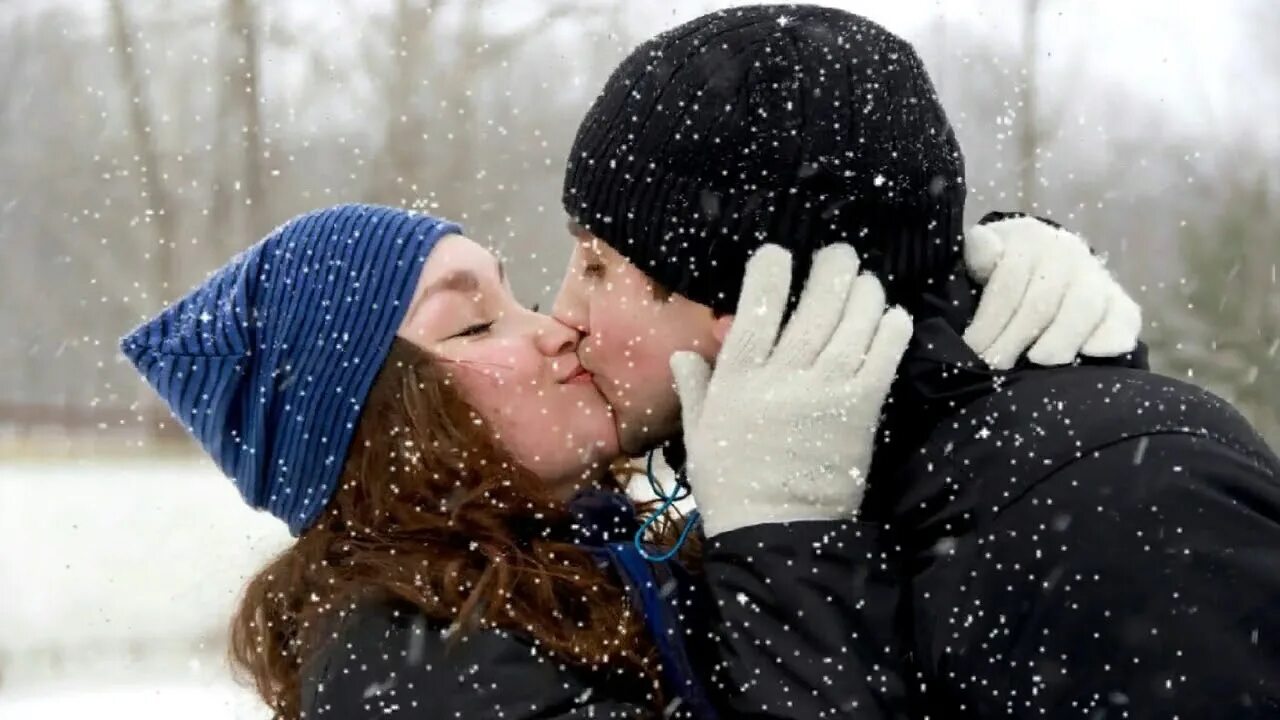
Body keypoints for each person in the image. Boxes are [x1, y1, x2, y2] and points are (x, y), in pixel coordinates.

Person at [121, 198, 1138, 719]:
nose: (554, 328)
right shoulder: (405, 671)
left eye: (517, 292)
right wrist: (781, 534)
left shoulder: (602, 550)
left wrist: (987, 296)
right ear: (386, 430)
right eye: (473, 327)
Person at [554, 4, 1280, 718]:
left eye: (593, 266)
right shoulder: (809, 484)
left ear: (746, 300)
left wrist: (788, 558)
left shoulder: (1125, 506)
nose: (563, 314)